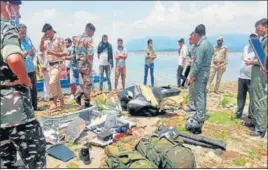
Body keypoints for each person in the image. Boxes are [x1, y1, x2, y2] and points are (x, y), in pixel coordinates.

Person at [0, 0, 46, 168]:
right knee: (36, 160)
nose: (18, 11)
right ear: (7, 5)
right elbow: (13, 58)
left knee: (7, 163)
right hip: (16, 112)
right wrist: (25, 79)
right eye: (16, 6)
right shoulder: (6, 28)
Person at [186, 24, 214, 134]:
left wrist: (192, 76)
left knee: (200, 95)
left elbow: (197, 63)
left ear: (197, 35)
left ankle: (200, 116)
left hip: (201, 72)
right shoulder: (209, 44)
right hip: (206, 71)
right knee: (202, 94)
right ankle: (201, 112)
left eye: (194, 35)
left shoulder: (202, 45)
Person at [246, 18, 267, 137]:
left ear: (265, 27)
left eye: (259, 29)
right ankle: (258, 123)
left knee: (260, 100)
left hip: (261, 76)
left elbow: (264, 60)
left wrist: (252, 61)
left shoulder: (266, 40)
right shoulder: (262, 40)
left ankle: (260, 129)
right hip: (258, 75)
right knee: (258, 100)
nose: (257, 31)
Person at [40, 23, 67, 109]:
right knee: (56, 84)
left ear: (51, 30)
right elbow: (41, 49)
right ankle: (62, 101)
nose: (46, 35)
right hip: (50, 65)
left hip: (58, 64)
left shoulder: (59, 39)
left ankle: (55, 101)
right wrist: (41, 41)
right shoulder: (46, 41)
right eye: (45, 33)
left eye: (47, 33)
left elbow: (65, 53)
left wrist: (53, 53)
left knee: (51, 82)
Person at [18, 23, 41, 111]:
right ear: (18, 32)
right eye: (22, 33)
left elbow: (32, 50)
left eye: (25, 33)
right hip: (22, 70)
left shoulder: (28, 39)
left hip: (31, 68)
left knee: (33, 89)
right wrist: (25, 53)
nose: (24, 35)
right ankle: (26, 109)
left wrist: (32, 53)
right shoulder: (15, 42)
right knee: (24, 90)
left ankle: (34, 107)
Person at [235, 33, 258, 120]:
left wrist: (251, 61)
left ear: (257, 38)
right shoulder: (245, 47)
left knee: (252, 97)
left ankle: (251, 115)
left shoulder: (258, 48)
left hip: (251, 77)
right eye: (251, 37)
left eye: (254, 37)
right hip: (242, 76)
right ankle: (238, 113)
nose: (252, 39)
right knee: (240, 96)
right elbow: (242, 58)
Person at [73, 23, 96, 109]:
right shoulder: (89, 39)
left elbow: (74, 52)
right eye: (92, 32)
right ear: (89, 30)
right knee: (88, 83)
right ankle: (86, 103)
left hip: (79, 64)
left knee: (84, 82)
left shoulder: (77, 38)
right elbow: (90, 54)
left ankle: (78, 95)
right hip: (86, 64)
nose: (93, 35)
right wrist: (90, 67)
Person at [185, 32, 197, 113]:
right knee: (191, 89)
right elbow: (188, 56)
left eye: (192, 38)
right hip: (192, 69)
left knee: (194, 89)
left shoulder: (200, 47)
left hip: (198, 71)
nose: (191, 39)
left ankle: (194, 107)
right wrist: (191, 60)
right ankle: (192, 106)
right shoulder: (191, 47)